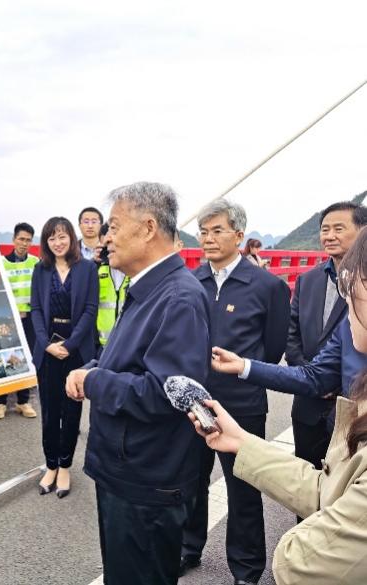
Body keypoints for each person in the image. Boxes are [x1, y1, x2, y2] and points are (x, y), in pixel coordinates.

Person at [195, 226, 367, 584]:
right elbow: (313, 376)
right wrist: (244, 368)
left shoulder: (264, 283)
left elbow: (301, 563)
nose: (347, 299)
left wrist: (298, 546)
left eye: (352, 285)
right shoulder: (346, 328)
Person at [66, 182, 211, 585]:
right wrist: (94, 367)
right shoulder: (149, 288)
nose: (106, 238)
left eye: (113, 226)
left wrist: (94, 381)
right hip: (126, 468)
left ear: (148, 228)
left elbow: (168, 394)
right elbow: (129, 357)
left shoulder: (177, 297)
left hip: (145, 479)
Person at [180, 200, 290, 585]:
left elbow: (273, 348)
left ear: (239, 235)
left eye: (217, 230)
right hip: (193, 401)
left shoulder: (267, 286)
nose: (208, 238)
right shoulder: (191, 281)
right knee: (190, 479)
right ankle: (188, 547)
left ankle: (246, 569)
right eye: (203, 231)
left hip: (241, 403)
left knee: (243, 486)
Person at [287, 202, 367, 479]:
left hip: (351, 404)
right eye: (325, 229)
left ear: (362, 231)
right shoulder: (308, 279)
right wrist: (310, 375)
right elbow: (292, 334)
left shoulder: (362, 283)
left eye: (339, 229)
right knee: (305, 475)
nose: (329, 236)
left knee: (345, 481)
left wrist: (331, 381)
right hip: (308, 402)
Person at [31, 217, 98, 498]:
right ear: (46, 242)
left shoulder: (87, 268)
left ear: (71, 237)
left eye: (62, 236)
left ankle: (66, 466)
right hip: (47, 351)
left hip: (75, 351)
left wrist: (69, 345)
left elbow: (90, 310)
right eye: (51, 238)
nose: (57, 243)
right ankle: (51, 465)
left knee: (71, 412)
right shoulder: (40, 269)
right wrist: (46, 344)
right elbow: (35, 309)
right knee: (49, 413)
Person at [0, 222, 39, 418]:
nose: (24, 243)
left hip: (30, 320)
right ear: (14, 239)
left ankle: (23, 401)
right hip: (7, 319)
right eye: (21, 239)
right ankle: (0, 402)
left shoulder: (36, 263)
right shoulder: (1, 263)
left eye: (28, 240)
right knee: (4, 357)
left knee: (26, 359)